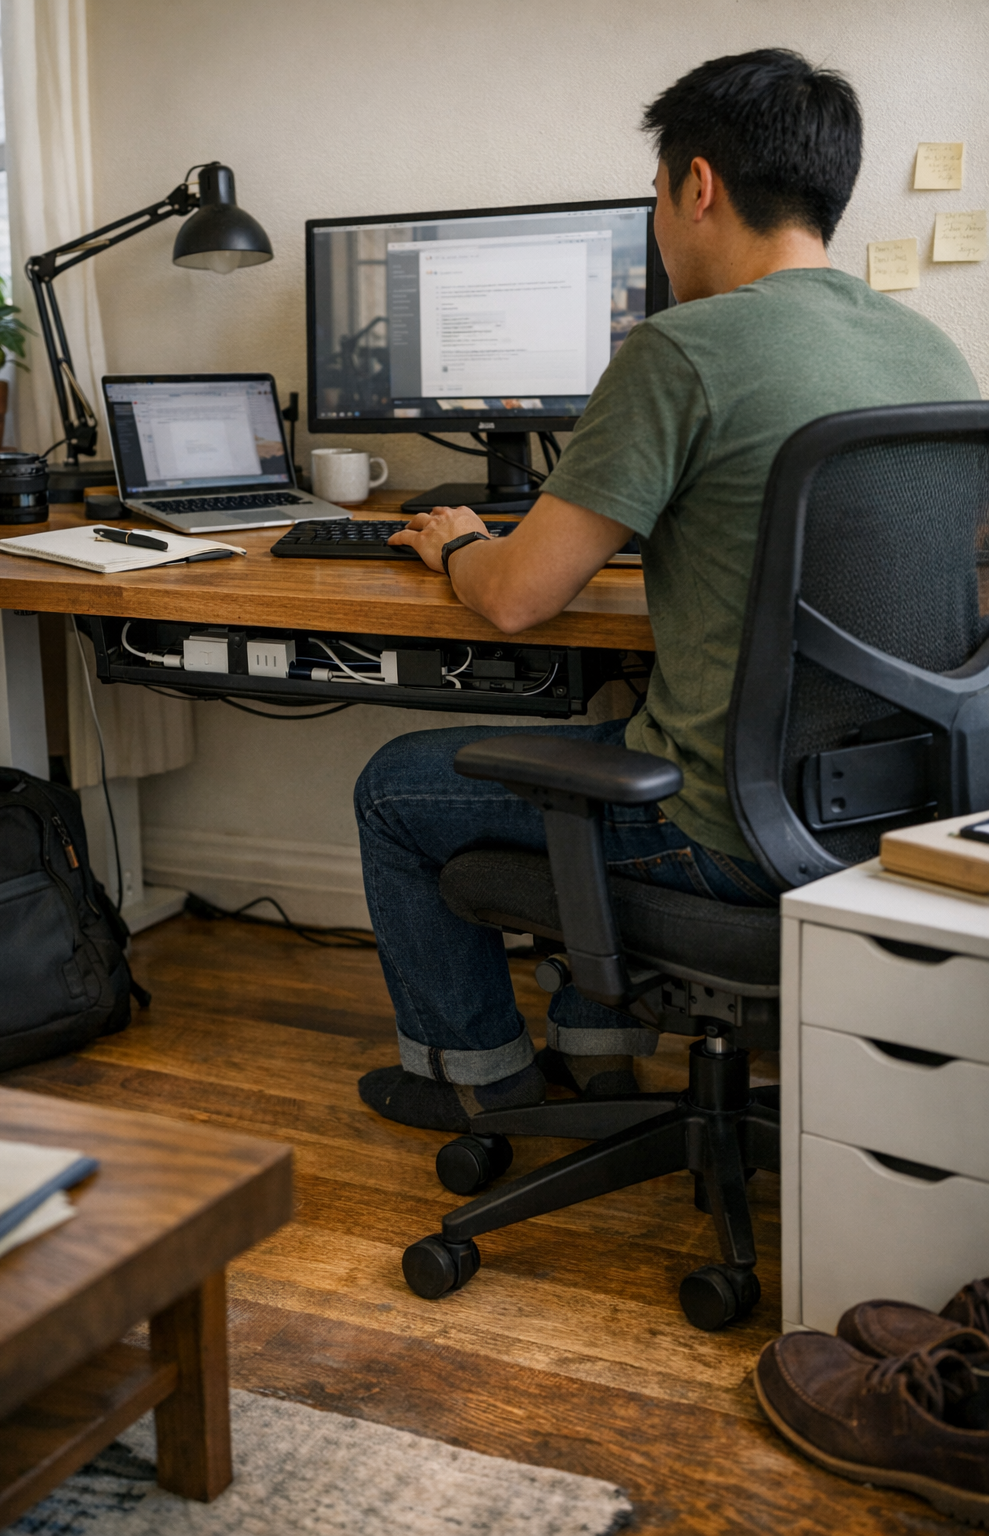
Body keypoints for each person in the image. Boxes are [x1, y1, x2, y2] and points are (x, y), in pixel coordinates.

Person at [354, 48, 979, 1133]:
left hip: (729, 829)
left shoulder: (682, 351)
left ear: (696, 186)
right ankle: (597, 1049)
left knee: (392, 789)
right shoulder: (932, 350)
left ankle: (477, 1078)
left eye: (653, 195)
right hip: (897, 812)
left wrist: (454, 540)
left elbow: (516, 600)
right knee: (612, 718)